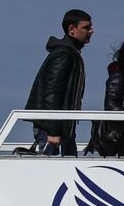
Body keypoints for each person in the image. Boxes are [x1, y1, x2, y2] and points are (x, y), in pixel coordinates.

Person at [25, 9, 93, 156]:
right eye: (86, 27)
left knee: (65, 169)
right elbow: (52, 92)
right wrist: (53, 130)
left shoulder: (70, 53)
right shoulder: (65, 53)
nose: (91, 31)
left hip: (61, 126)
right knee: (54, 173)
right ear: (72, 30)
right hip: (53, 128)